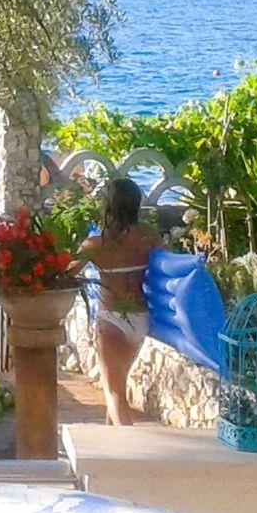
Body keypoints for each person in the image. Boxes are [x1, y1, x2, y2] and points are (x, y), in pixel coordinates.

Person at [75, 177, 160, 426]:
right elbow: (166, 262)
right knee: (118, 386)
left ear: (108, 205)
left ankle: (130, 447)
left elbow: (66, 272)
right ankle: (110, 442)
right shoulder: (148, 236)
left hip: (111, 319)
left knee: (113, 393)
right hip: (140, 318)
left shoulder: (95, 244)